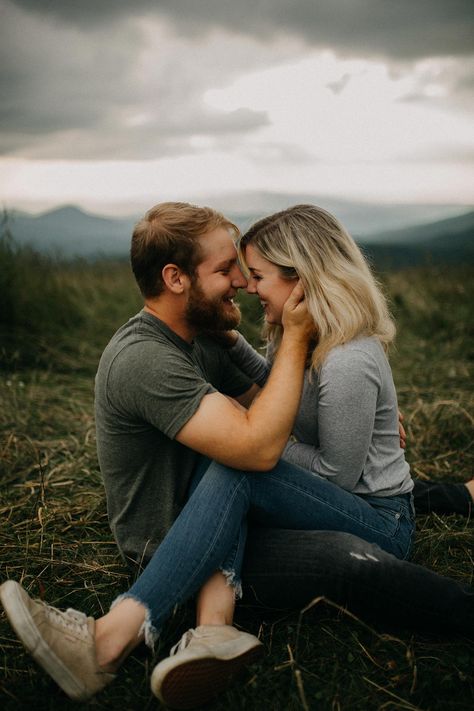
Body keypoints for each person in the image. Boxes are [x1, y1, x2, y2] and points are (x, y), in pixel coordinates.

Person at [1, 202, 473, 711]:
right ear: (176, 278)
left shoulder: (214, 340)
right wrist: (288, 371)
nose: (242, 283)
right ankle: (184, 631)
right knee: (260, 481)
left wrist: (360, 413)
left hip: (259, 511)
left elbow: (274, 416)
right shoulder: (145, 357)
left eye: (249, 271)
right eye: (227, 269)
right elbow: (264, 428)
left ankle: (130, 635)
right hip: (173, 535)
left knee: (273, 492)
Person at [228, 203, 474, 518]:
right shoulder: (291, 332)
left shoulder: (348, 361)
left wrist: (253, 438)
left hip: (371, 508)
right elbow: (276, 381)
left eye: (258, 276)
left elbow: (336, 476)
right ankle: (460, 496)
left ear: (302, 279)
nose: (249, 287)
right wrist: (229, 341)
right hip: (346, 489)